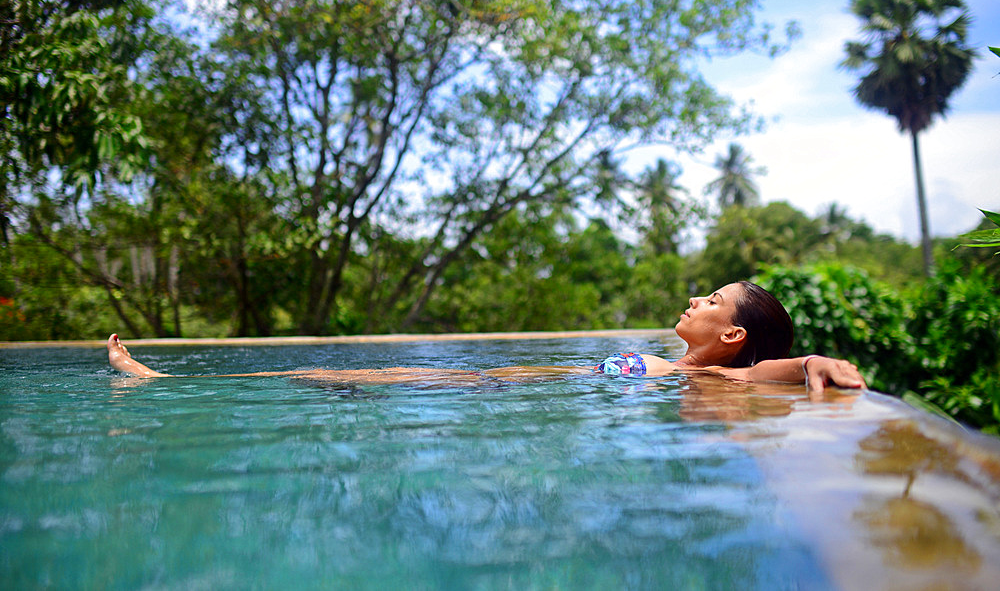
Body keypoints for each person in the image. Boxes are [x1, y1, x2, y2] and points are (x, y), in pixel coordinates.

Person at [107, 281, 867, 392]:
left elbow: (758, 376)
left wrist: (816, 361)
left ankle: (166, 382)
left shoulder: (702, 374)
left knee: (338, 379)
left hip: (488, 390)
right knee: (338, 378)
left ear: (731, 334)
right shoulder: (674, 364)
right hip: (497, 385)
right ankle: (173, 382)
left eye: (713, 298)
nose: (695, 297)